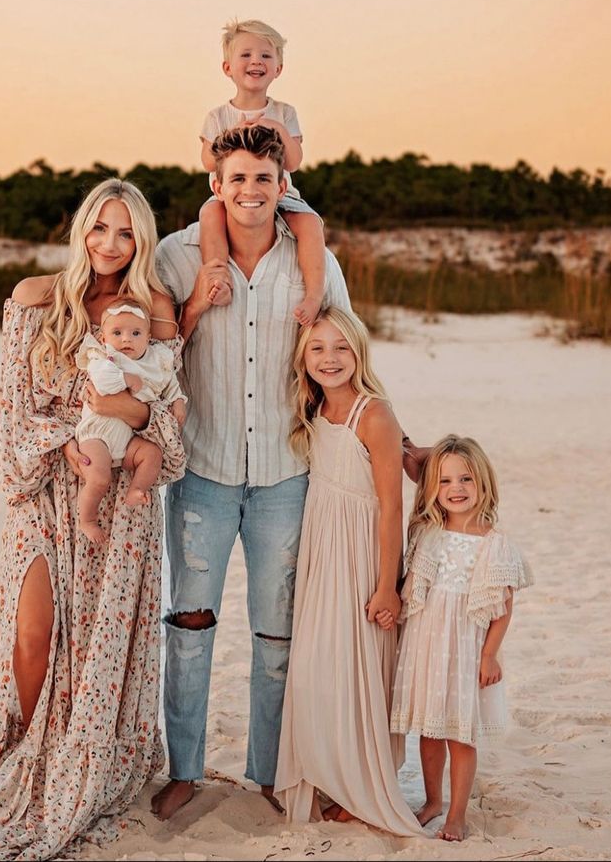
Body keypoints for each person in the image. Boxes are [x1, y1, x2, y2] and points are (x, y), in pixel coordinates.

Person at [0, 178, 186, 860]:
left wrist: (123, 419)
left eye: (127, 232)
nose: (111, 244)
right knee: (32, 632)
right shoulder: (33, 298)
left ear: (141, 240)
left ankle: (71, 758)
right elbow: (9, 414)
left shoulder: (154, 309)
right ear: (81, 230)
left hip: (118, 504)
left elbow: (168, 416)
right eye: (100, 228)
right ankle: (20, 752)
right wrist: (69, 441)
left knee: (93, 648)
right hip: (45, 489)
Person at [150, 124, 352, 821]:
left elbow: (344, 354)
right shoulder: (178, 255)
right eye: (236, 178)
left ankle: (267, 769)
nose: (249, 190)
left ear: (281, 185)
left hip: (283, 472)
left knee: (276, 632)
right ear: (216, 184)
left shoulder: (313, 263)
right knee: (190, 623)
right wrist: (198, 303)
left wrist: (389, 438)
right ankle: (183, 767)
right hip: (201, 468)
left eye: (263, 178)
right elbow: (150, 342)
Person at [274, 306, 424, 837]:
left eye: (341, 348)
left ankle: (361, 788)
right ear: (303, 359)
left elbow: (390, 506)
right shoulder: (313, 410)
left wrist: (389, 585)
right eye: (318, 349)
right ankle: (333, 781)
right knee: (320, 668)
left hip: (363, 555)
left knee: (359, 666)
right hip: (322, 552)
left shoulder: (374, 414)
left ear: (358, 351)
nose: (330, 358)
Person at [390, 435, 533, 842]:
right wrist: (421, 455)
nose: (456, 489)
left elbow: (502, 610)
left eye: (466, 479)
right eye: (446, 481)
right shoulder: (425, 532)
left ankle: (457, 814)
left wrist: (490, 656)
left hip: (465, 652)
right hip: (424, 649)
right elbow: (416, 465)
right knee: (429, 732)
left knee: (460, 735)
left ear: (484, 484)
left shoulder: (494, 544)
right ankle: (432, 800)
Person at [198, 18, 326, 326]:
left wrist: (277, 128)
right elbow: (206, 161)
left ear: (278, 68)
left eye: (266, 56)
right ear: (228, 67)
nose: (256, 61)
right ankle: (219, 279)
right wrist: (230, 136)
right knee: (209, 216)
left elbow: (293, 162)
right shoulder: (218, 115)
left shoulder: (284, 112)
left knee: (310, 223)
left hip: (281, 196)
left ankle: (314, 294)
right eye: (246, 55)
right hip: (232, 197)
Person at [75, 296, 187, 540]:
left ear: (148, 337)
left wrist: (178, 401)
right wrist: (125, 379)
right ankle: (87, 519)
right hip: (97, 435)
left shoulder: (156, 361)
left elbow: (169, 385)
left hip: (127, 440)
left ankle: (137, 489)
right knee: (99, 477)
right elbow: (101, 382)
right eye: (117, 332)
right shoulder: (104, 357)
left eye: (136, 333)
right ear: (104, 338)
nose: (126, 338)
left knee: (151, 454)